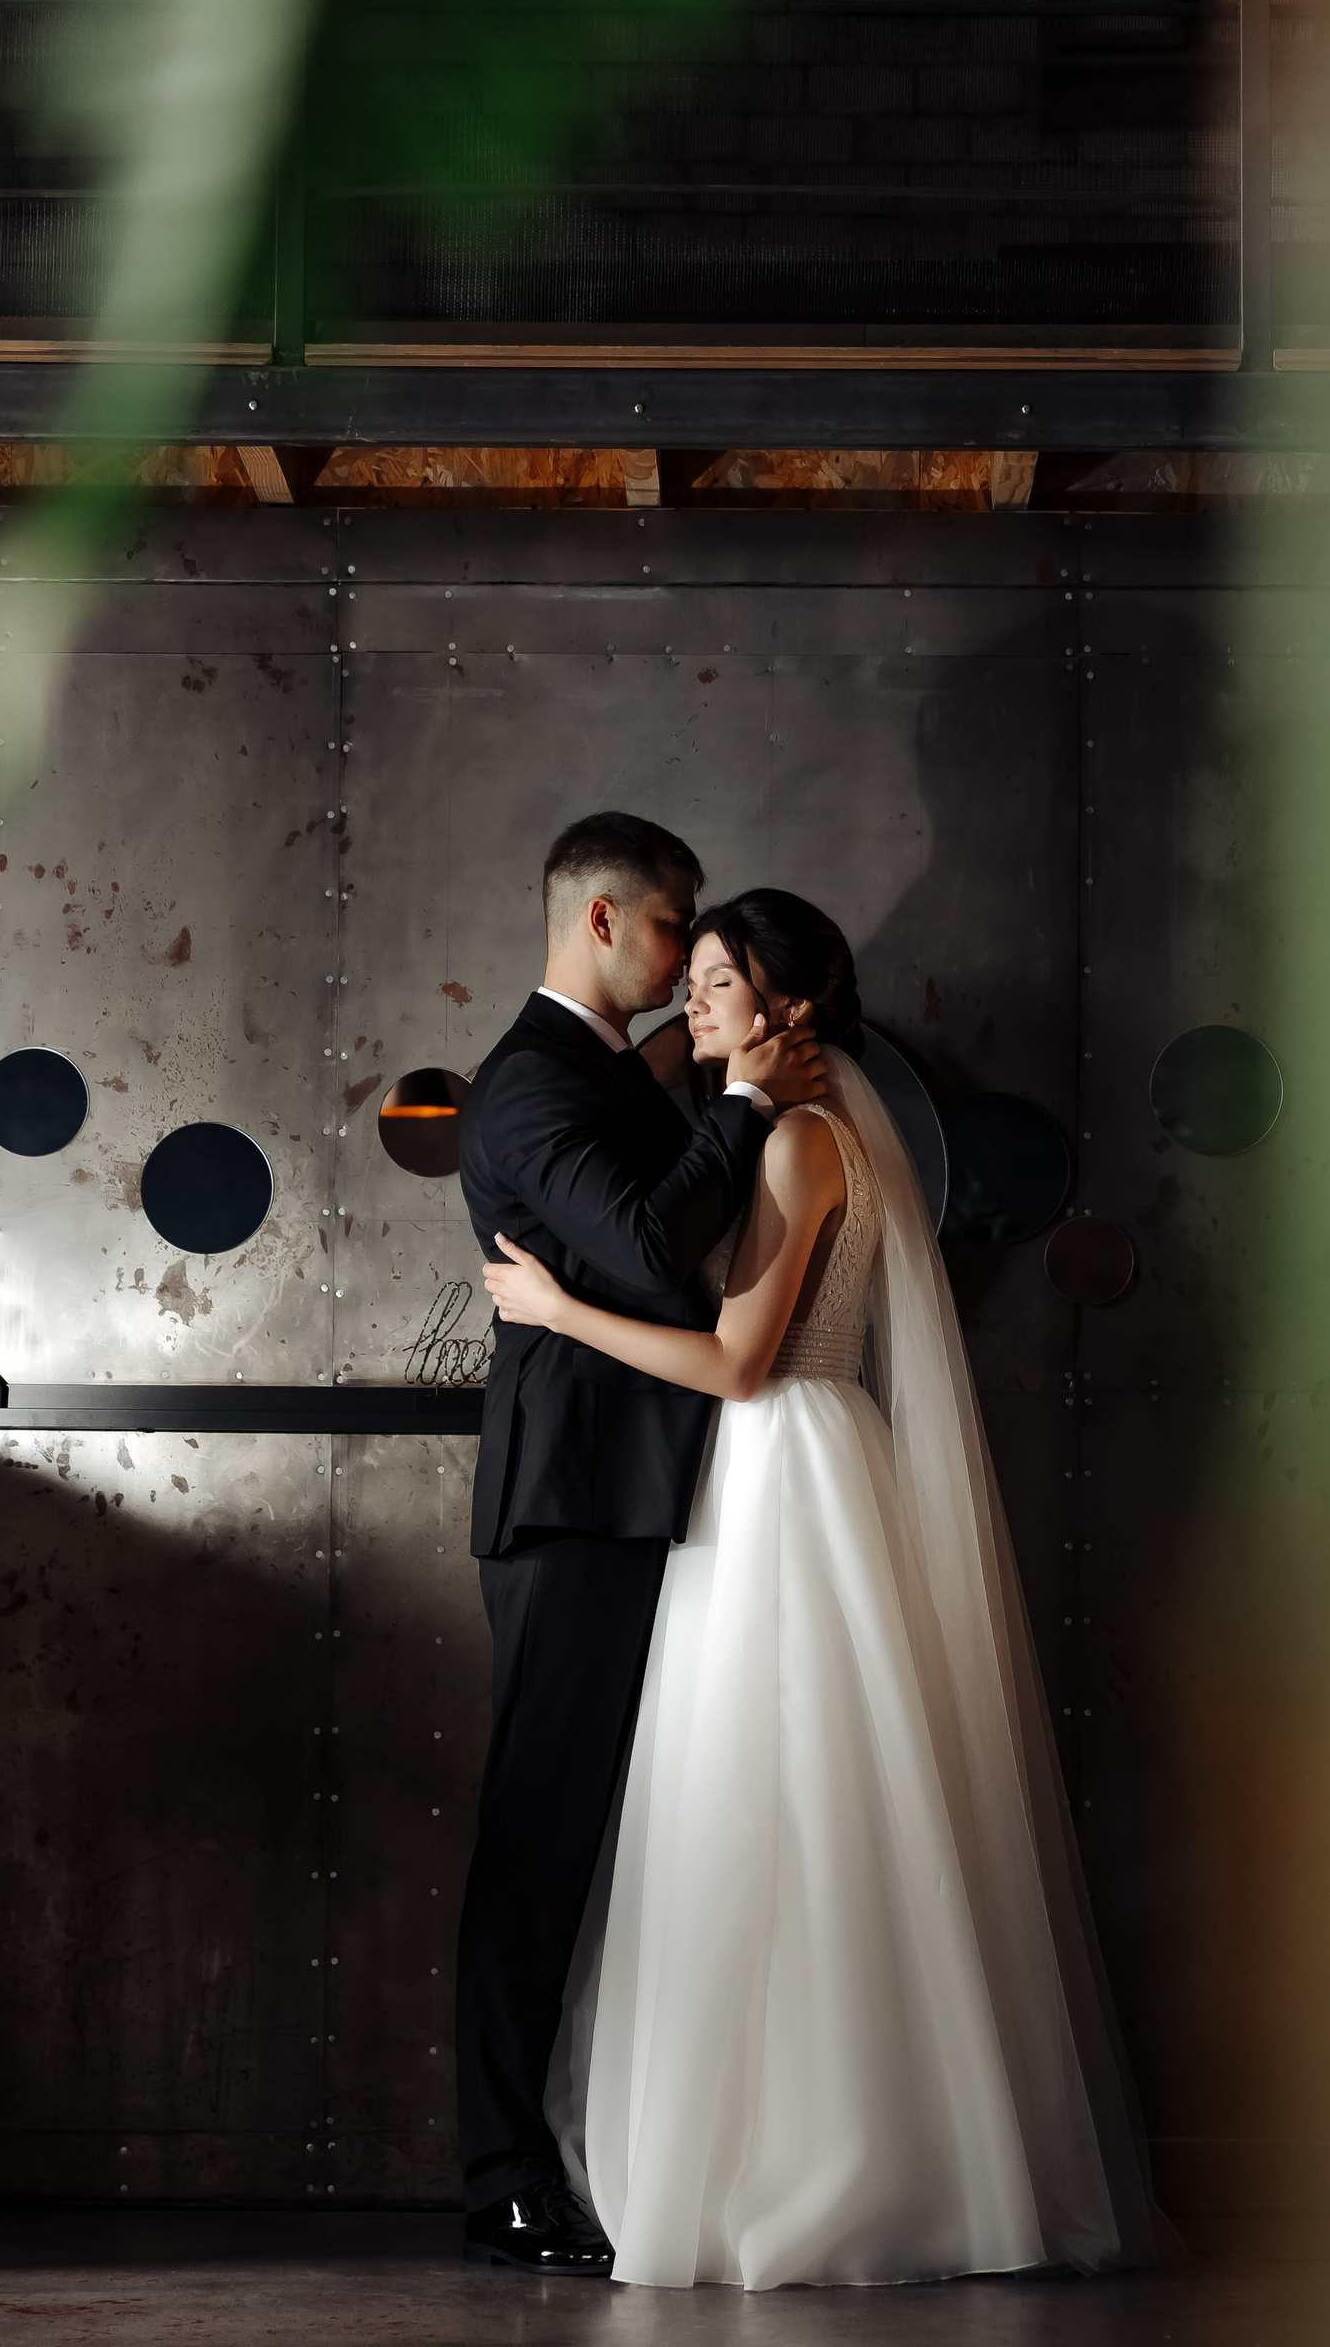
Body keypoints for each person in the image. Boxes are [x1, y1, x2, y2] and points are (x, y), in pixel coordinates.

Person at [483, 887, 1174, 2289]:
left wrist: (560, 1312)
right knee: (789, 1803)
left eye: (721, 980)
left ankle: (811, 2157)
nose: (695, 999)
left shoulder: (800, 1141)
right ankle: (814, 2133)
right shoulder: (799, 1128)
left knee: (780, 1803)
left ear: (787, 1008)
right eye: (695, 974)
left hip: (776, 1463)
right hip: (795, 1462)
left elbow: (740, 1363)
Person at [454, 816, 825, 2277]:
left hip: (648, 1494)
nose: (685, 962)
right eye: (675, 928)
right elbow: (651, 1244)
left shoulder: (617, 1070)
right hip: (573, 1505)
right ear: (602, 920)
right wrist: (741, 1099)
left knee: (623, 1844)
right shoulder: (528, 1086)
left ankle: (605, 2152)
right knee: (537, 1842)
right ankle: (503, 2180)